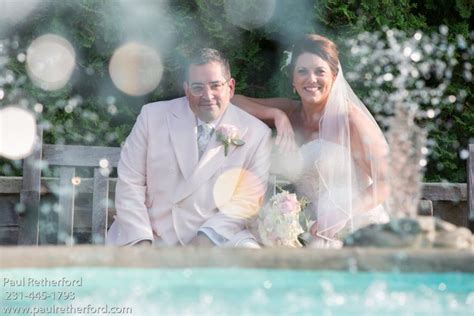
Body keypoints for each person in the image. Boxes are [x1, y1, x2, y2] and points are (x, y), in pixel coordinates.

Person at [232, 34, 390, 248]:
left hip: (356, 224)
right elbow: (234, 102)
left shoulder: (350, 120)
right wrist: (276, 115)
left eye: (320, 71)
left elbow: (386, 183)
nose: (311, 79)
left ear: (334, 76)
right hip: (311, 228)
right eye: (302, 71)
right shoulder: (291, 111)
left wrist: (344, 212)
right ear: (293, 80)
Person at [106, 48, 272, 248]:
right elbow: (130, 182)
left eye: (215, 86)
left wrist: (205, 239)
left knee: (250, 256)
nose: (207, 95)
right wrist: (141, 239)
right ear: (186, 89)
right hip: (153, 234)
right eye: (197, 87)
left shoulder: (257, 133)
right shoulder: (152, 117)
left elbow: (246, 202)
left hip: (216, 238)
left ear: (231, 87)